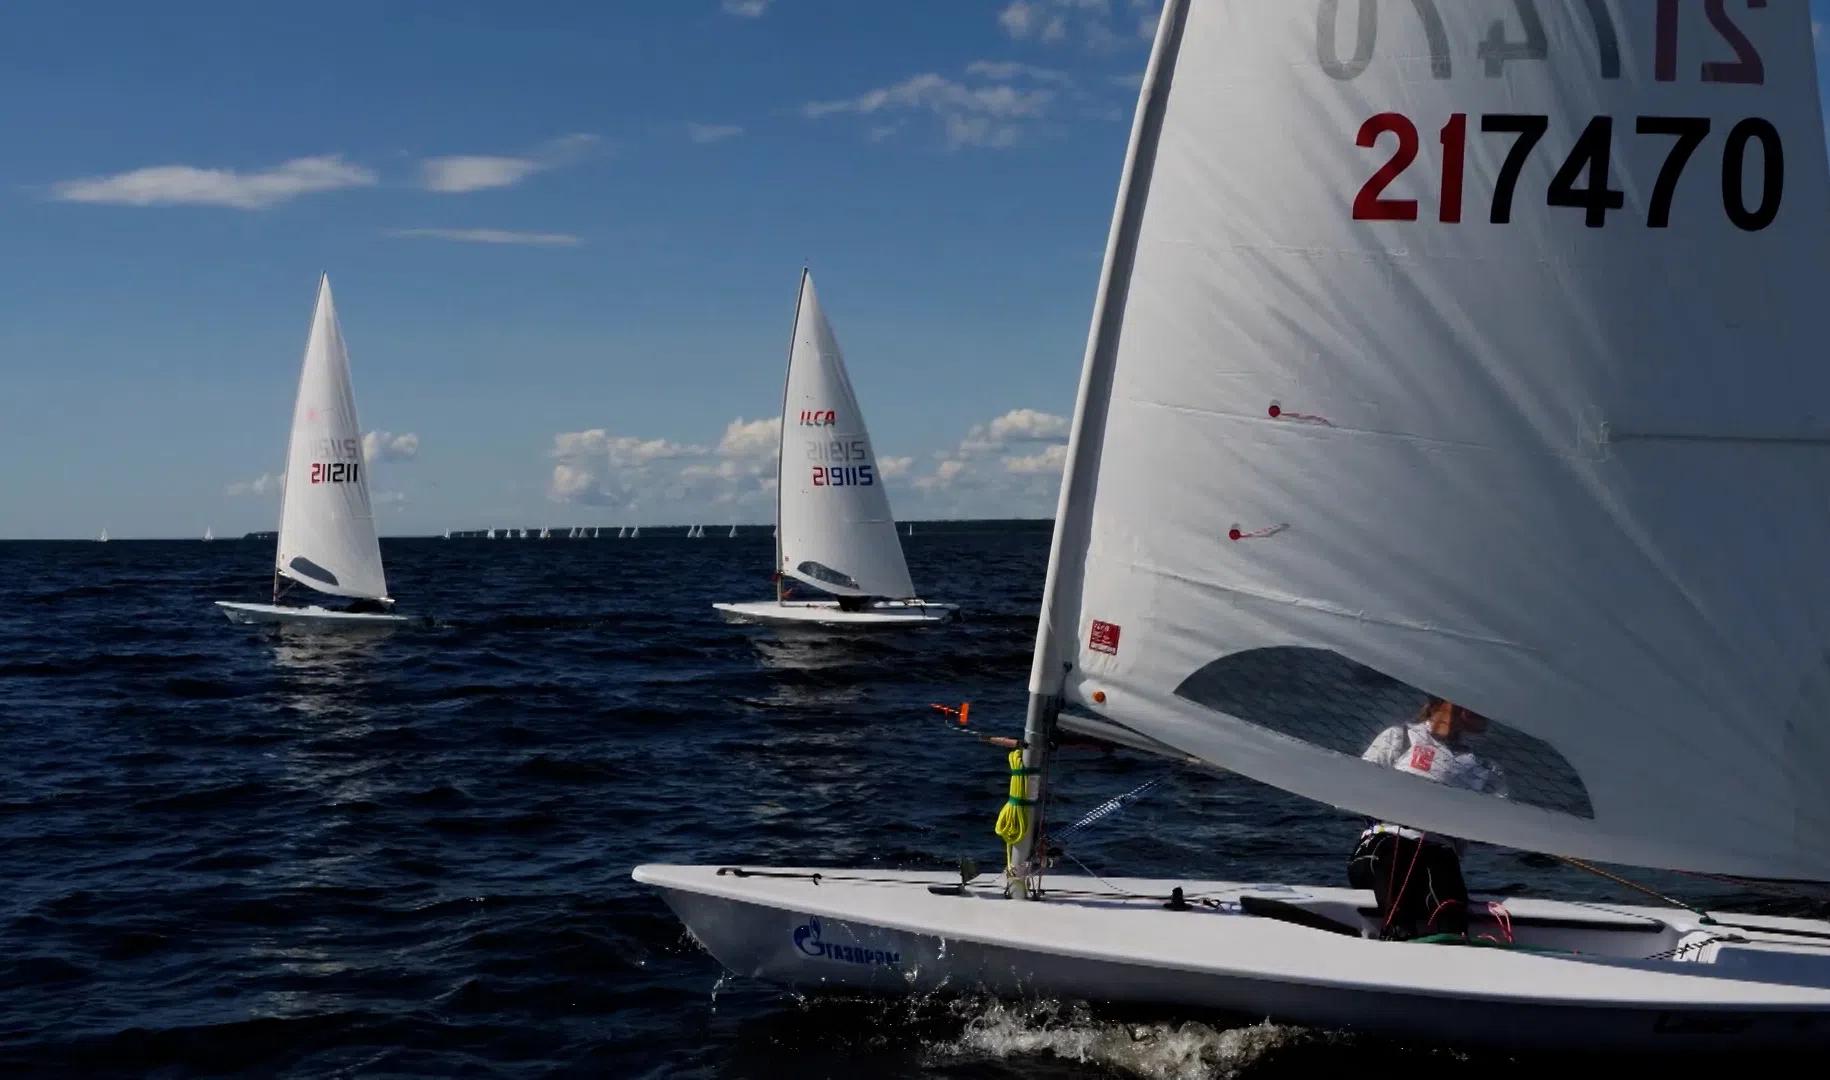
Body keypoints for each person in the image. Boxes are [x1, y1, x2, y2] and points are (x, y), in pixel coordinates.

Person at [1348, 696, 1505, 940]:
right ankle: (1397, 934)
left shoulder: (1483, 767)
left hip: (1437, 854)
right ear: (1454, 705)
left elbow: (1498, 828)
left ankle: (1452, 942)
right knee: (1397, 854)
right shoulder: (1399, 738)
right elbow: (1355, 789)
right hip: (1383, 847)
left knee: (1446, 888)